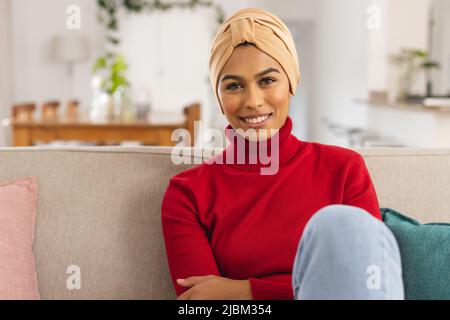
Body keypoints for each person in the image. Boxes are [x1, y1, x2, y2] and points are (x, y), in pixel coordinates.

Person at [161, 7, 404, 300]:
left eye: (267, 81)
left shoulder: (344, 169)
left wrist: (243, 290)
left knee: (338, 225)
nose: (252, 101)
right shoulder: (187, 194)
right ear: (218, 96)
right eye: (234, 86)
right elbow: (202, 303)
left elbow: (367, 284)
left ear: (292, 81)